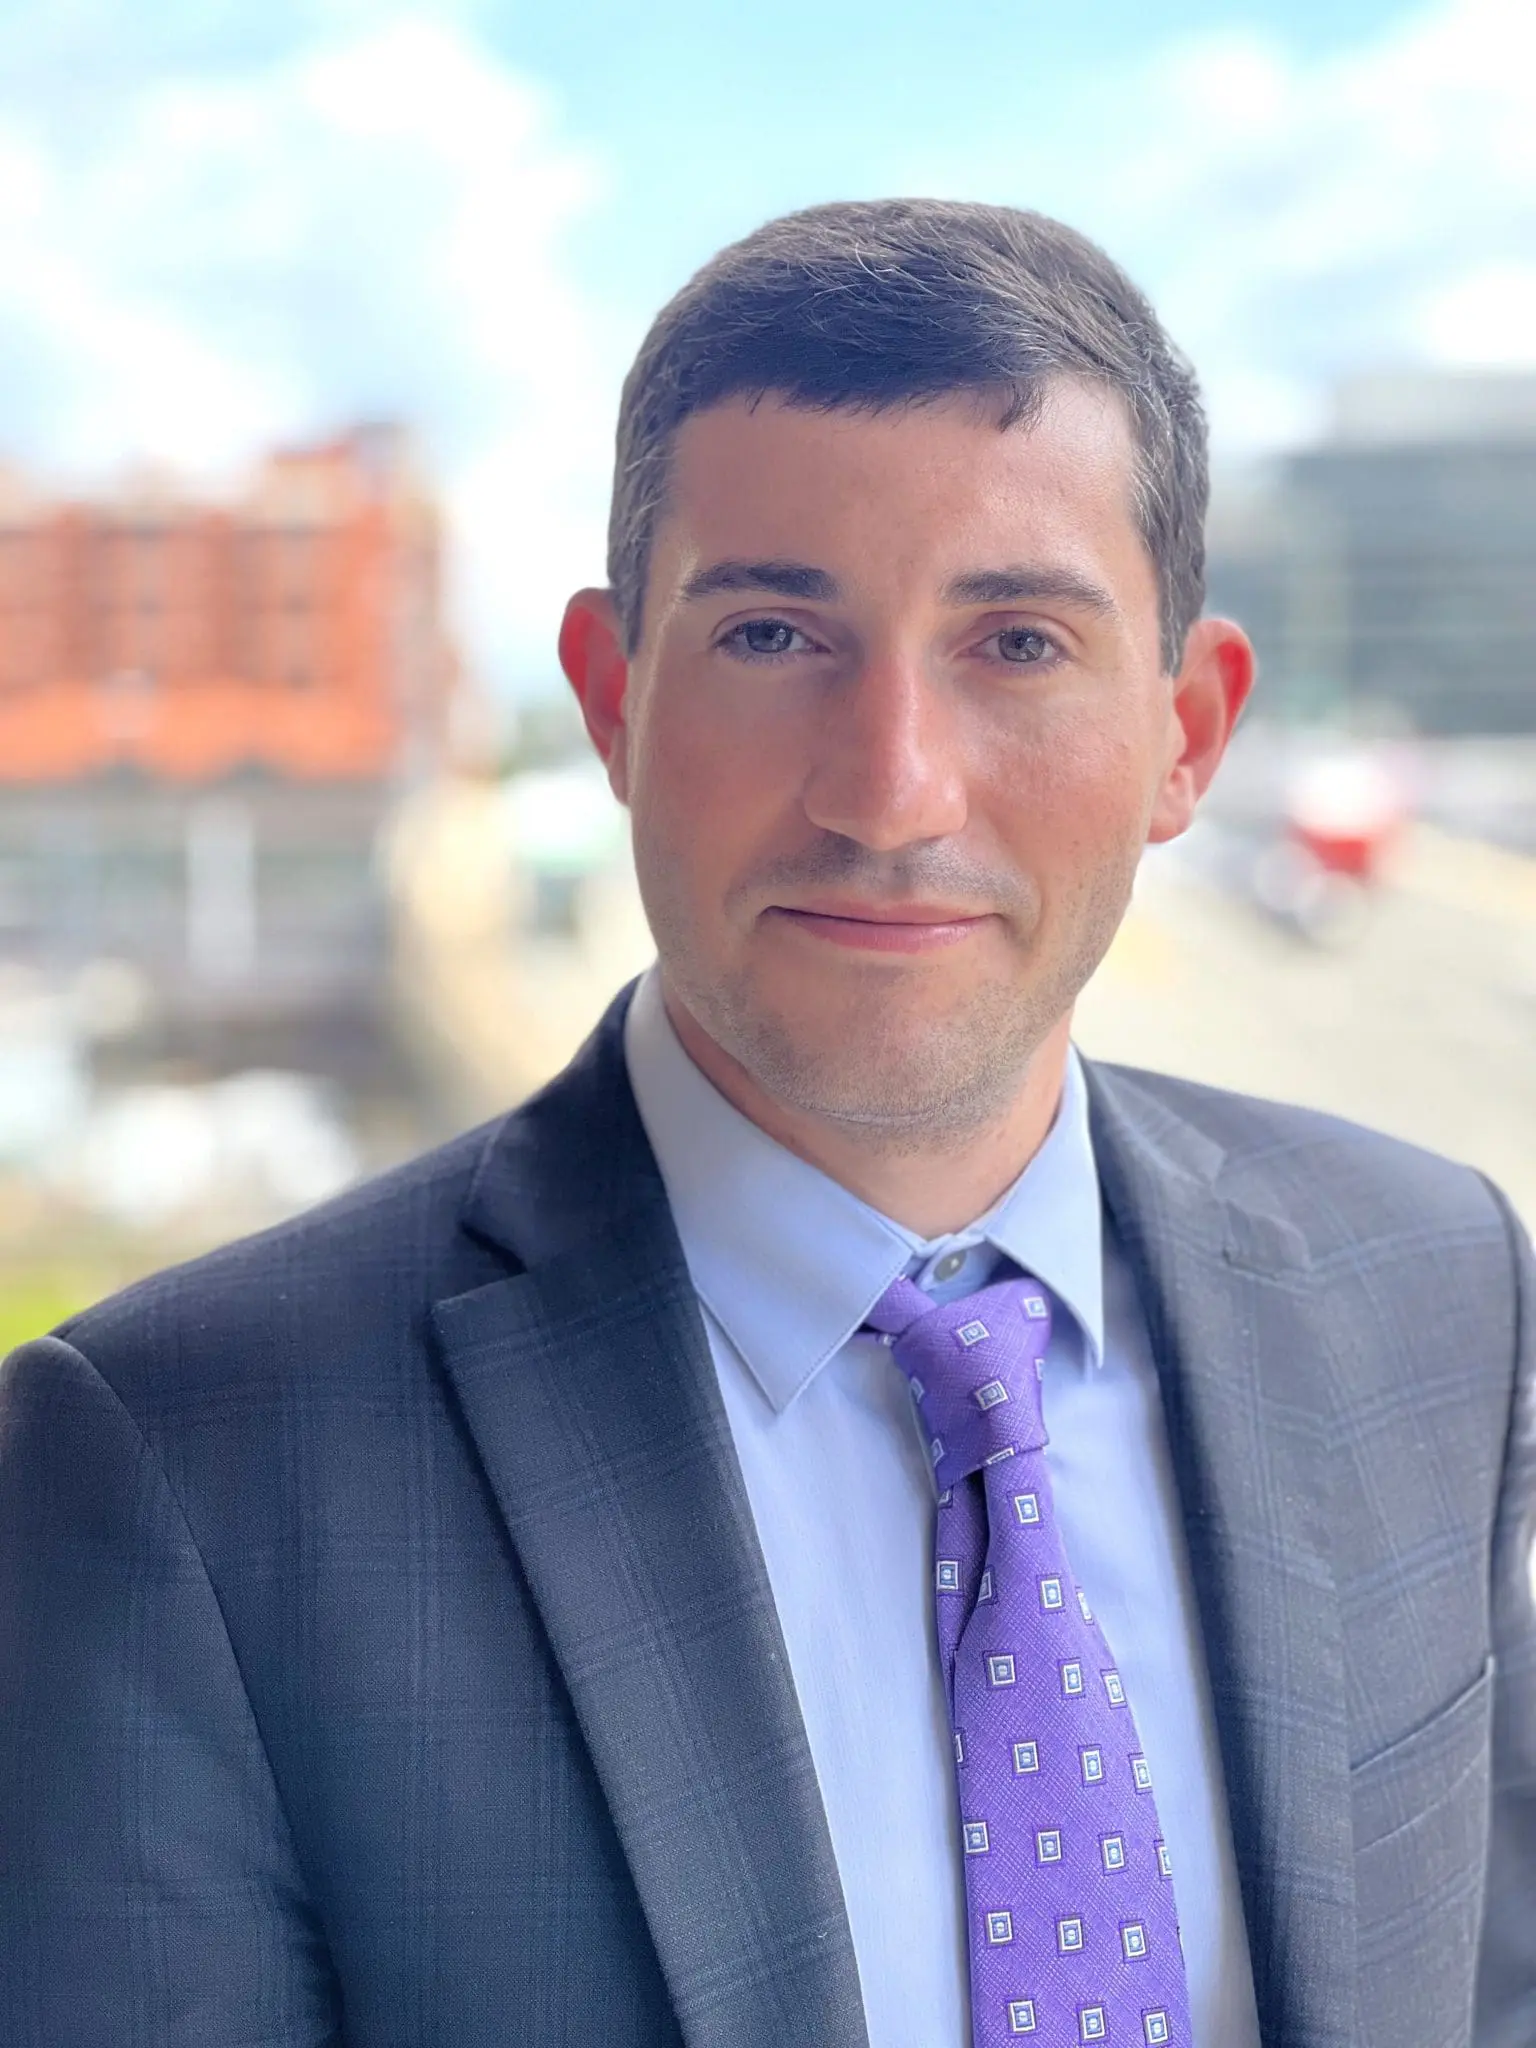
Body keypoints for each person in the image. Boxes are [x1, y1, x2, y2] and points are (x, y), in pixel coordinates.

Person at [1, 199, 1531, 2048]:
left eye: (1020, 643)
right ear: (611, 698)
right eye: (776, 633)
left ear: (1189, 735)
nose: (890, 791)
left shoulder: (1439, 1292)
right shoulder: (181, 1466)